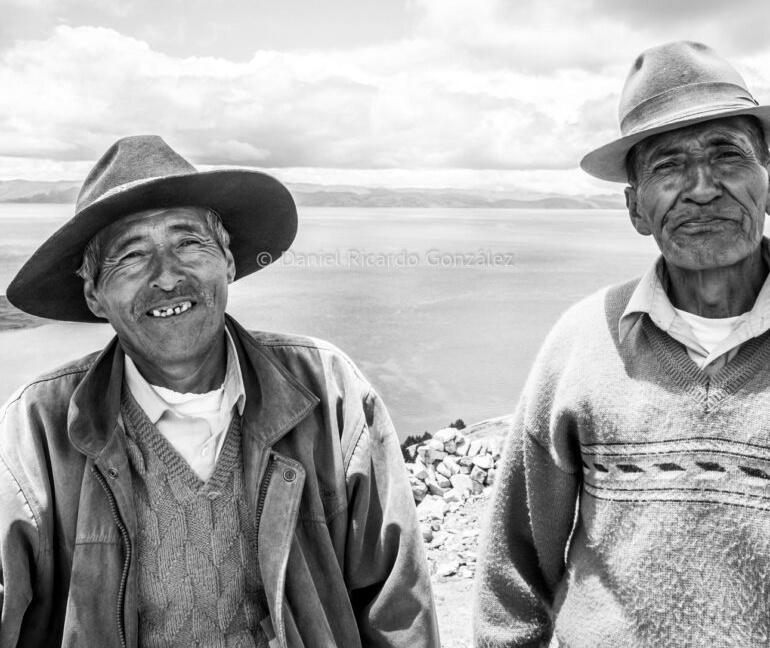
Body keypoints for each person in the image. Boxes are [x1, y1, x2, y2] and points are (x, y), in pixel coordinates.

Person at [0, 136, 440, 648]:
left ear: (227, 261)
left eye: (188, 243)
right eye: (131, 256)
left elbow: (398, 605)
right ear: (95, 295)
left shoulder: (328, 390)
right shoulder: (40, 428)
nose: (167, 277)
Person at [473, 40, 770, 646]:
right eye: (668, 166)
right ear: (636, 208)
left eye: (728, 156)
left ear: (767, 179)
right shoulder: (583, 342)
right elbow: (515, 565)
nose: (703, 187)